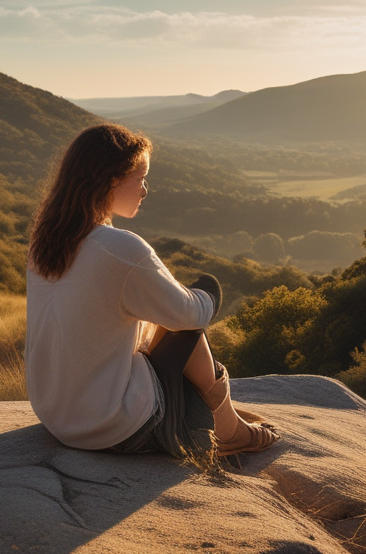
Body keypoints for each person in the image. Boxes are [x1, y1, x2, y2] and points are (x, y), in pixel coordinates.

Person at [25, 123, 279, 462]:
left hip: (58, 418)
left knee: (166, 318)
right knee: (184, 324)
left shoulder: (47, 242)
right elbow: (188, 316)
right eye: (141, 177)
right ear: (113, 179)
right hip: (115, 428)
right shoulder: (121, 249)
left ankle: (227, 421)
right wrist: (209, 294)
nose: (145, 190)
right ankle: (229, 429)